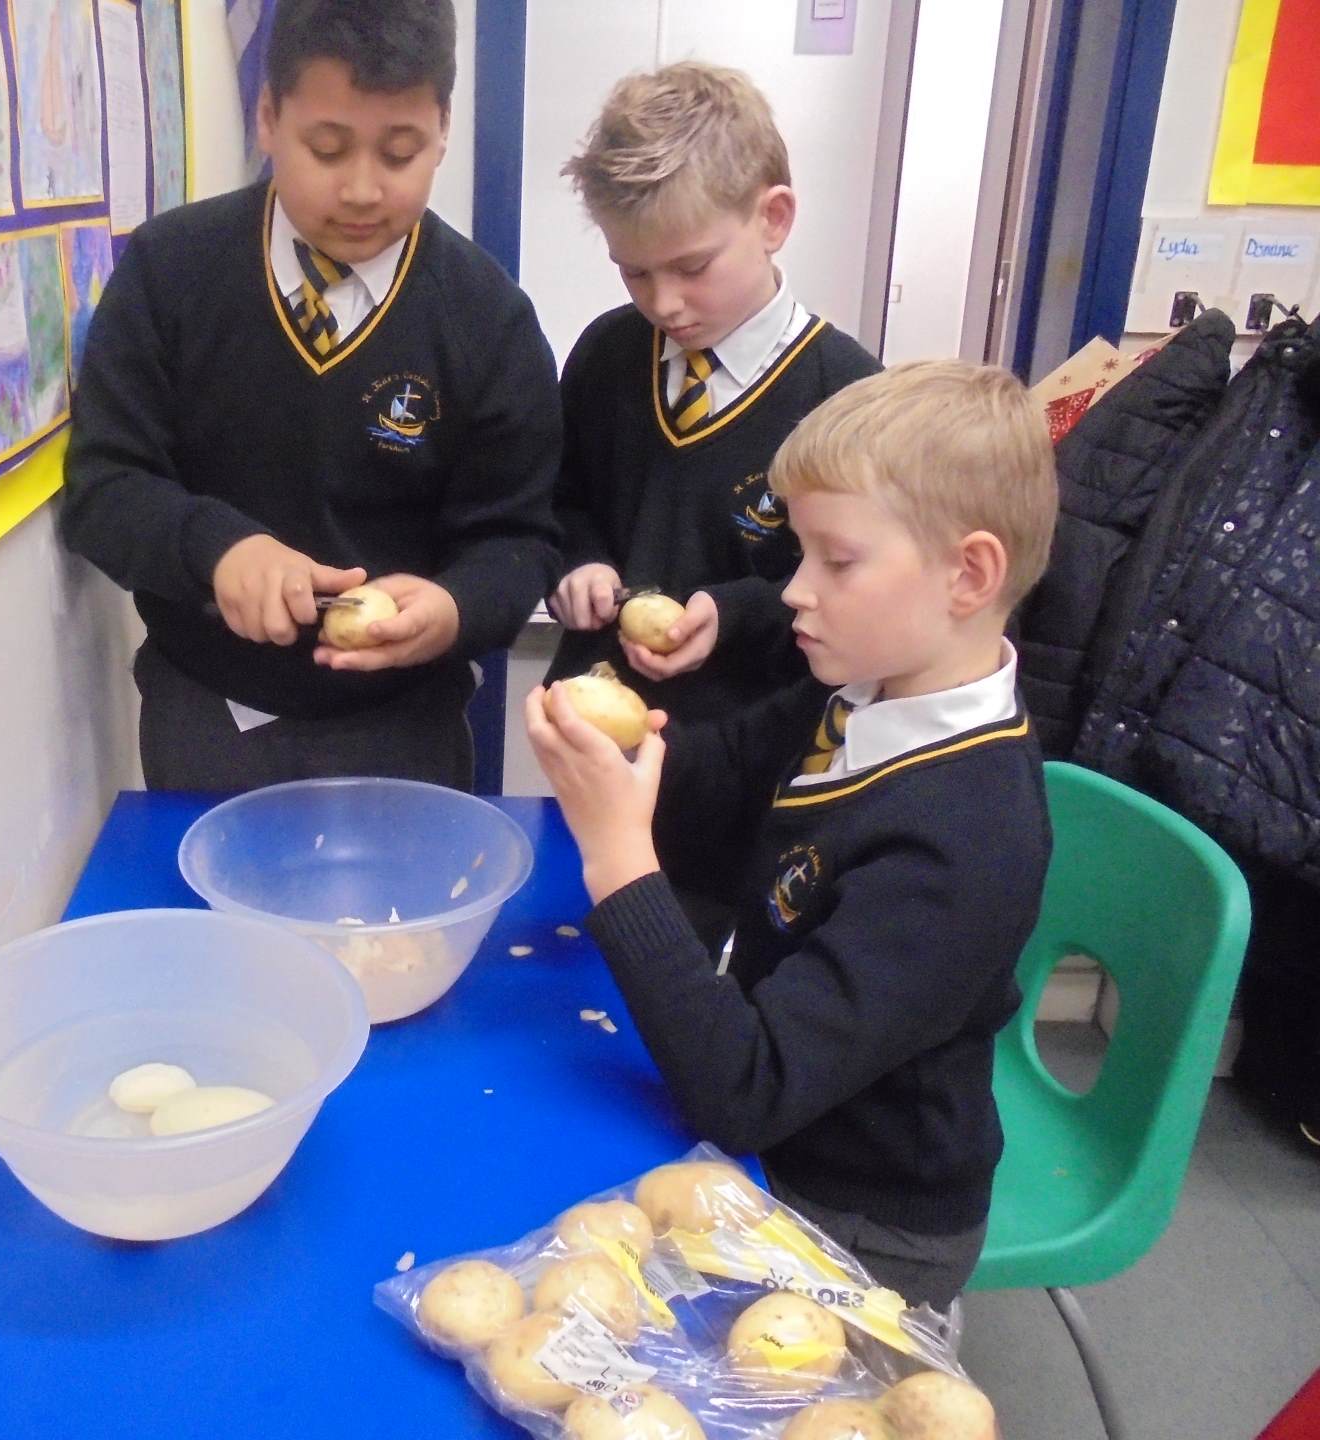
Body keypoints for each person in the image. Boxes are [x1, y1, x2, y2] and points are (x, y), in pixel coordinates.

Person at [526, 361, 1059, 1309]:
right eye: (799, 554)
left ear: (969, 574)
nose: (795, 593)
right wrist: (623, 753)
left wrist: (617, 859)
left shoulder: (966, 837)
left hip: (858, 1218)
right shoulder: (857, 690)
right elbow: (720, 774)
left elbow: (745, 1092)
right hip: (781, 1118)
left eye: (836, 561)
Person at [59, 0, 559, 791]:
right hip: (206, 712)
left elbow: (520, 541)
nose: (361, 189)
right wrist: (218, 550)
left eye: (399, 153)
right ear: (267, 116)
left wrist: (455, 608)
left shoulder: (489, 320)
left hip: (407, 727)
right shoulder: (170, 270)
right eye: (327, 149)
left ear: (443, 129)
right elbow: (103, 488)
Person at [545, 62, 880, 725]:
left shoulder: (850, 397)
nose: (664, 303)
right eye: (634, 272)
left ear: (773, 219)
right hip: (594, 722)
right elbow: (560, 499)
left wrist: (733, 615)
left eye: (692, 267)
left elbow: (859, 586)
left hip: (758, 740)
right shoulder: (606, 353)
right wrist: (576, 562)